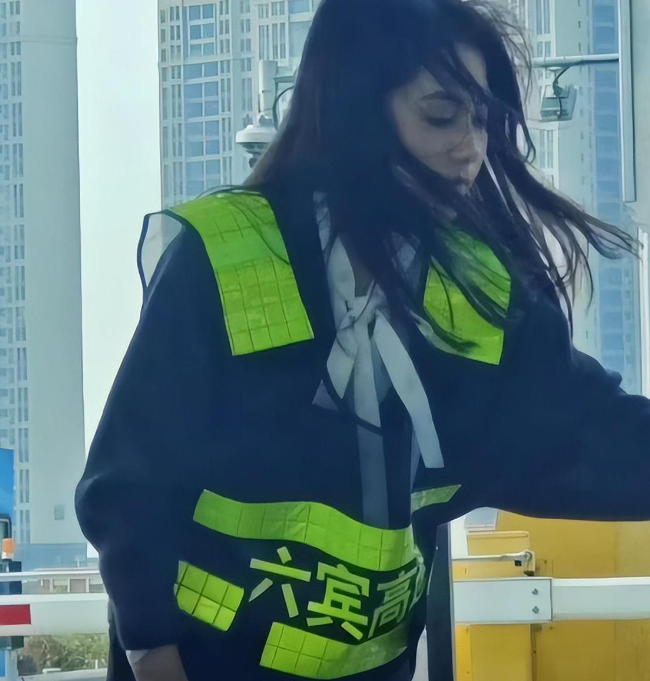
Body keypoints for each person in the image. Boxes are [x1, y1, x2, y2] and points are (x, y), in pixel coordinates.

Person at [75, 0, 650, 679]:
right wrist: (154, 656)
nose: (470, 148)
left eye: (482, 120)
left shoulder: (478, 293)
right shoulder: (226, 259)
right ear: (355, 109)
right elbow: (128, 488)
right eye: (441, 116)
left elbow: (592, 434)